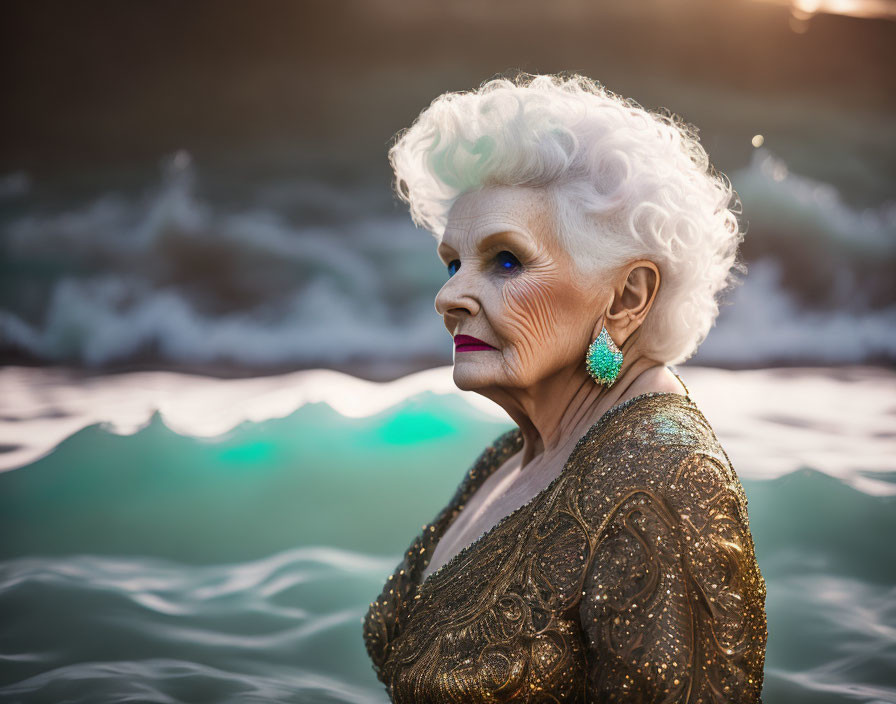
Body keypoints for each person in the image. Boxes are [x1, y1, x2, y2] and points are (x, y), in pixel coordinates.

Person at [362, 71, 767, 702]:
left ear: (627, 297)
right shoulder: (512, 452)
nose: (448, 297)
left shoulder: (663, 485)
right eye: (452, 262)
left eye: (505, 261)